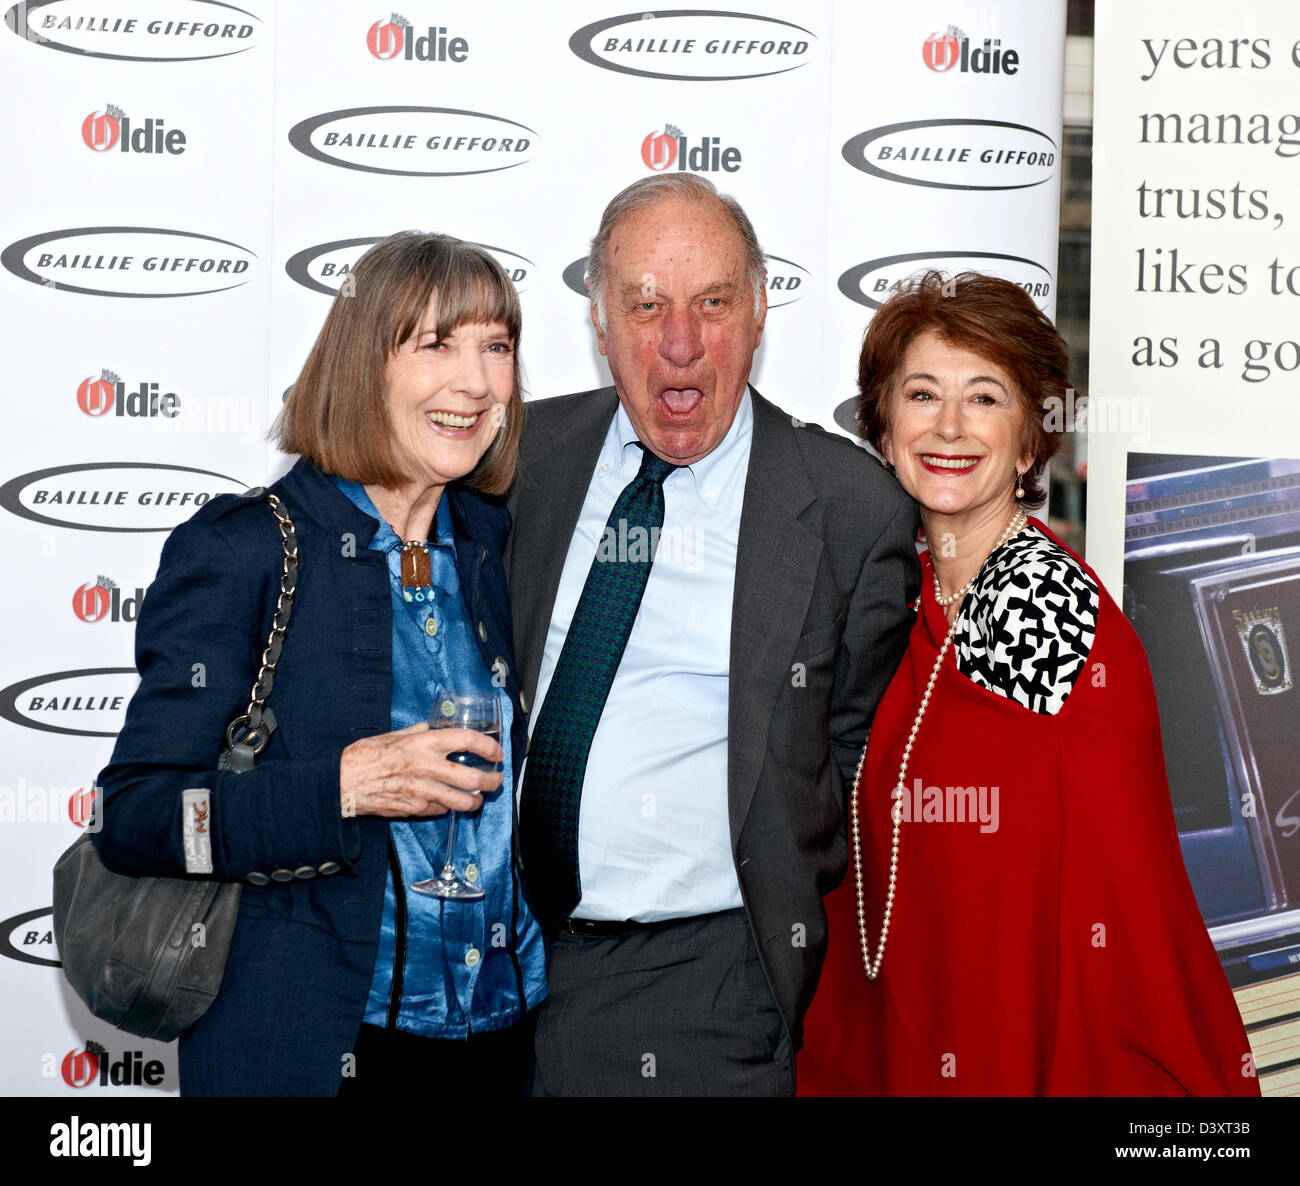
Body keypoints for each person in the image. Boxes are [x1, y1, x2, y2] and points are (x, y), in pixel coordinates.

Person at [91, 232, 546, 1096]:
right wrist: (337, 785)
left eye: (497, 346)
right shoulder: (246, 549)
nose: (477, 382)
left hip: (499, 1039)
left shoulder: (488, 543)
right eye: (436, 344)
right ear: (362, 365)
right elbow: (140, 816)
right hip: (313, 1044)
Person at [506, 174, 920, 1095]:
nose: (681, 343)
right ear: (599, 319)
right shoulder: (520, 459)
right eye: (645, 304)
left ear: (762, 309)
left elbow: (848, 755)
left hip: (699, 993)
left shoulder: (849, 509)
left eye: (714, 302)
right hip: (493, 970)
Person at [797, 271, 1260, 1096]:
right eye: (921, 394)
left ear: (1030, 440)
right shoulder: (890, 598)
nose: (947, 426)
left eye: (984, 398)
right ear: (883, 423)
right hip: (904, 1036)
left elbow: (1119, 906)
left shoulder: (1048, 618)